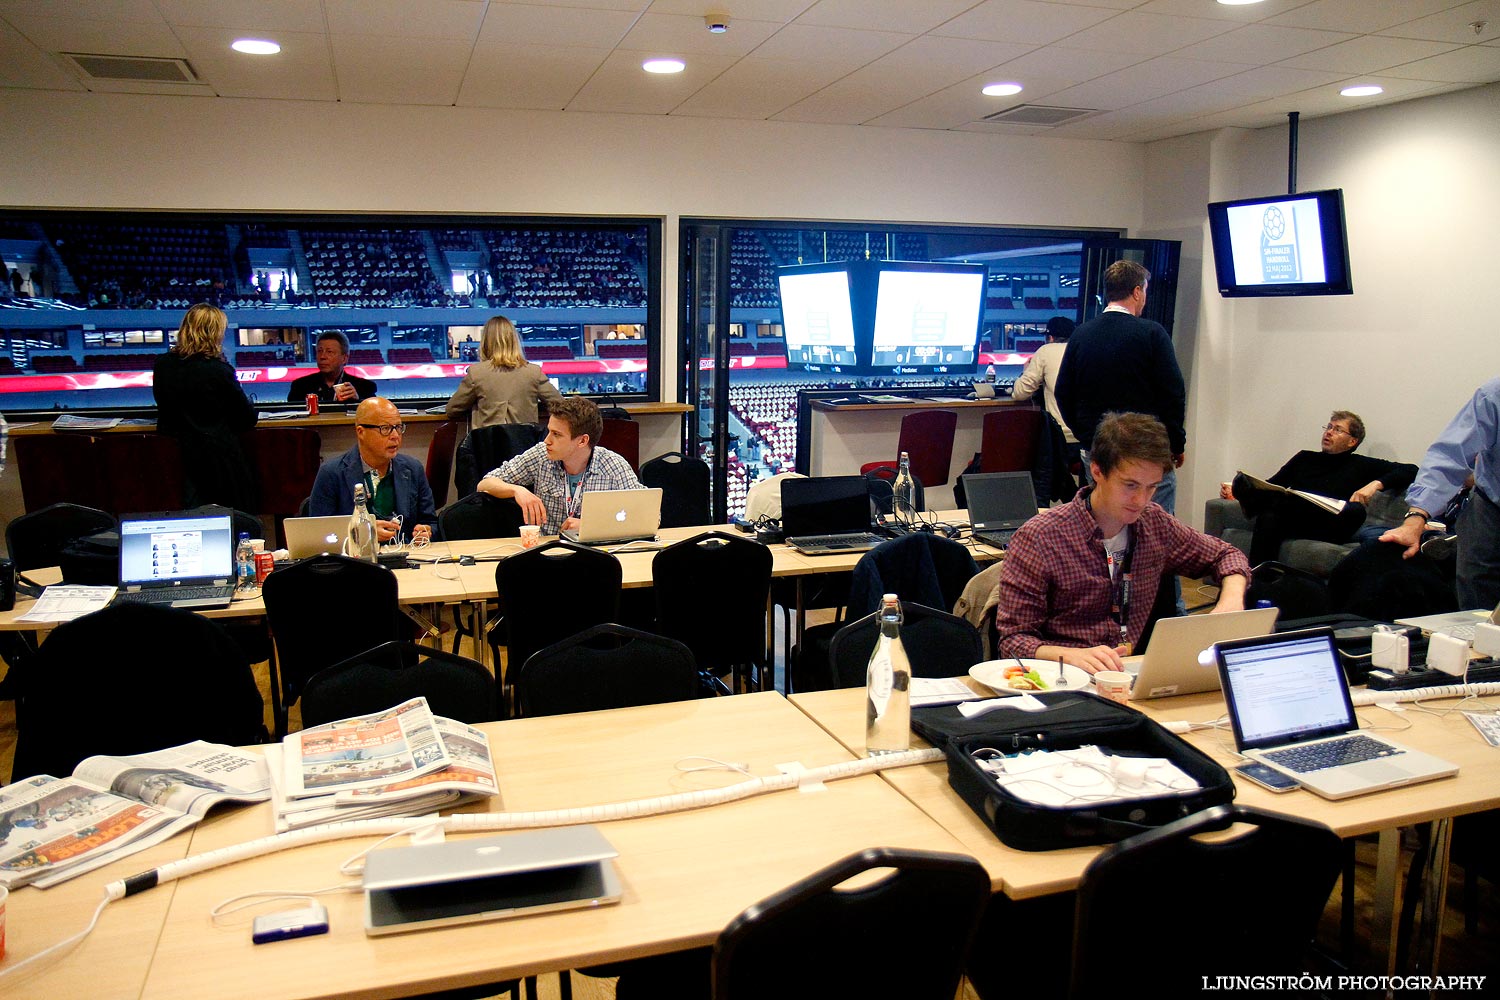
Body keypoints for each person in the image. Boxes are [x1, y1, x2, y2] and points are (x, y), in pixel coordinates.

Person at [993, 412, 1250, 674]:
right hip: (1062, 681)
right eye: (1130, 485)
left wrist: (1230, 600)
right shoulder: (1040, 538)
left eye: (1151, 487)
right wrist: (1069, 656)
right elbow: (1013, 643)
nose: (1141, 500)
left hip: (1125, 677)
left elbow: (1226, 555)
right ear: (1097, 471)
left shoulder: (1154, 524)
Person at [1054, 260, 1186, 515]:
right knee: (1156, 532)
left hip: (1098, 450)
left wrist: (1087, 435)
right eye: (1145, 291)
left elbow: (1064, 393)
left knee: (1100, 527)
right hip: (1146, 451)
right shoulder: (1151, 334)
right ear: (1137, 291)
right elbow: (1172, 394)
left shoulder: (1082, 334)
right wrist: (1175, 444)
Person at [1223, 410, 1417, 565]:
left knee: (1355, 510)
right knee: (1265, 504)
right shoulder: (1304, 458)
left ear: (1352, 441)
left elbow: (1411, 470)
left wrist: (1375, 484)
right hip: (1294, 516)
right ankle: (1260, 579)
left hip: (1329, 523)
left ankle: (1252, 503)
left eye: (1338, 429)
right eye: (1329, 427)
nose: (1329, 432)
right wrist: (1245, 488)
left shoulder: (1360, 464)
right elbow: (1273, 484)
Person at [1380, 377, 1500, 610]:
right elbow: (1450, 455)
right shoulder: (1494, 395)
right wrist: (1416, 518)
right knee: (1478, 612)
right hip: (1490, 512)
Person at [478, 395, 642, 535]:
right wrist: (516, 490)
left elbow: (649, 517)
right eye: (549, 431)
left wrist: (589, 527)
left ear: (582, 441)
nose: (547, 440)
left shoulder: (613, 465)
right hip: (547, 551)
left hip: (594, 553)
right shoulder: (542, 455)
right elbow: (484, 484)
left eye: (556, 434)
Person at [152, 303, 259, 512]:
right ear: (213, 333)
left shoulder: (162, 364)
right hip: (217, 463)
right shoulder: (218, 370)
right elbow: (245, 419)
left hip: (174, 461)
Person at [309, 397, 435, 544]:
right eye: (385, 429)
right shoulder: (332, 474)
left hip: (405, 557)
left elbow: (432, 523)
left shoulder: (413, 469)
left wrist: (425, 532)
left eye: (398, 427)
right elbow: (317, 534)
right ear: (361, 432)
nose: (395, 436)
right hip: (356, 561)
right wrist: (362, 532)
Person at [444, 315, 562, 428]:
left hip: (487, 446)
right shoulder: (534, 372)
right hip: (526, 446)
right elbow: (560, 406)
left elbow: (452, 410)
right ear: (514, 341)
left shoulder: (476, 373)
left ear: (485, 342)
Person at [1011, 315, 1077, 445]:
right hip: (1087, 435)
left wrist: (1025, 371)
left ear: (1050, 337)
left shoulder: (1046, 351)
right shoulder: (1082, 350)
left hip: (1060, 437)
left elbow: (1020, 393)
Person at [287, 331, 376, 405]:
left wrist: (358, 402)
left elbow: (374, 417)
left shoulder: (365, 387)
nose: (322, 356)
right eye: (319, 351)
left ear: (344, 358)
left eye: (329, 352)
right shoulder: (300, 386)